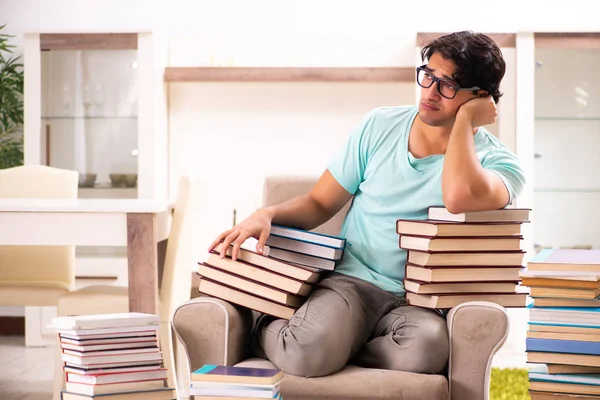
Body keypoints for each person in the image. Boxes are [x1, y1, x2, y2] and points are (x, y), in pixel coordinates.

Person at [208, 31, 525, 378]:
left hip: (418, 302)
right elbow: (319, 202)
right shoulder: (379, 125)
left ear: (480, 99)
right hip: (353, 284)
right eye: (428, 76)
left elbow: (457, 197)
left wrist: (464, 122)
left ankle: (337, 342)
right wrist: (266, 213)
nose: (430, 92)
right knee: (307, 353)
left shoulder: (502, 165)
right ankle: (274, 328)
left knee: (427, 350)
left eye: (447, 85)